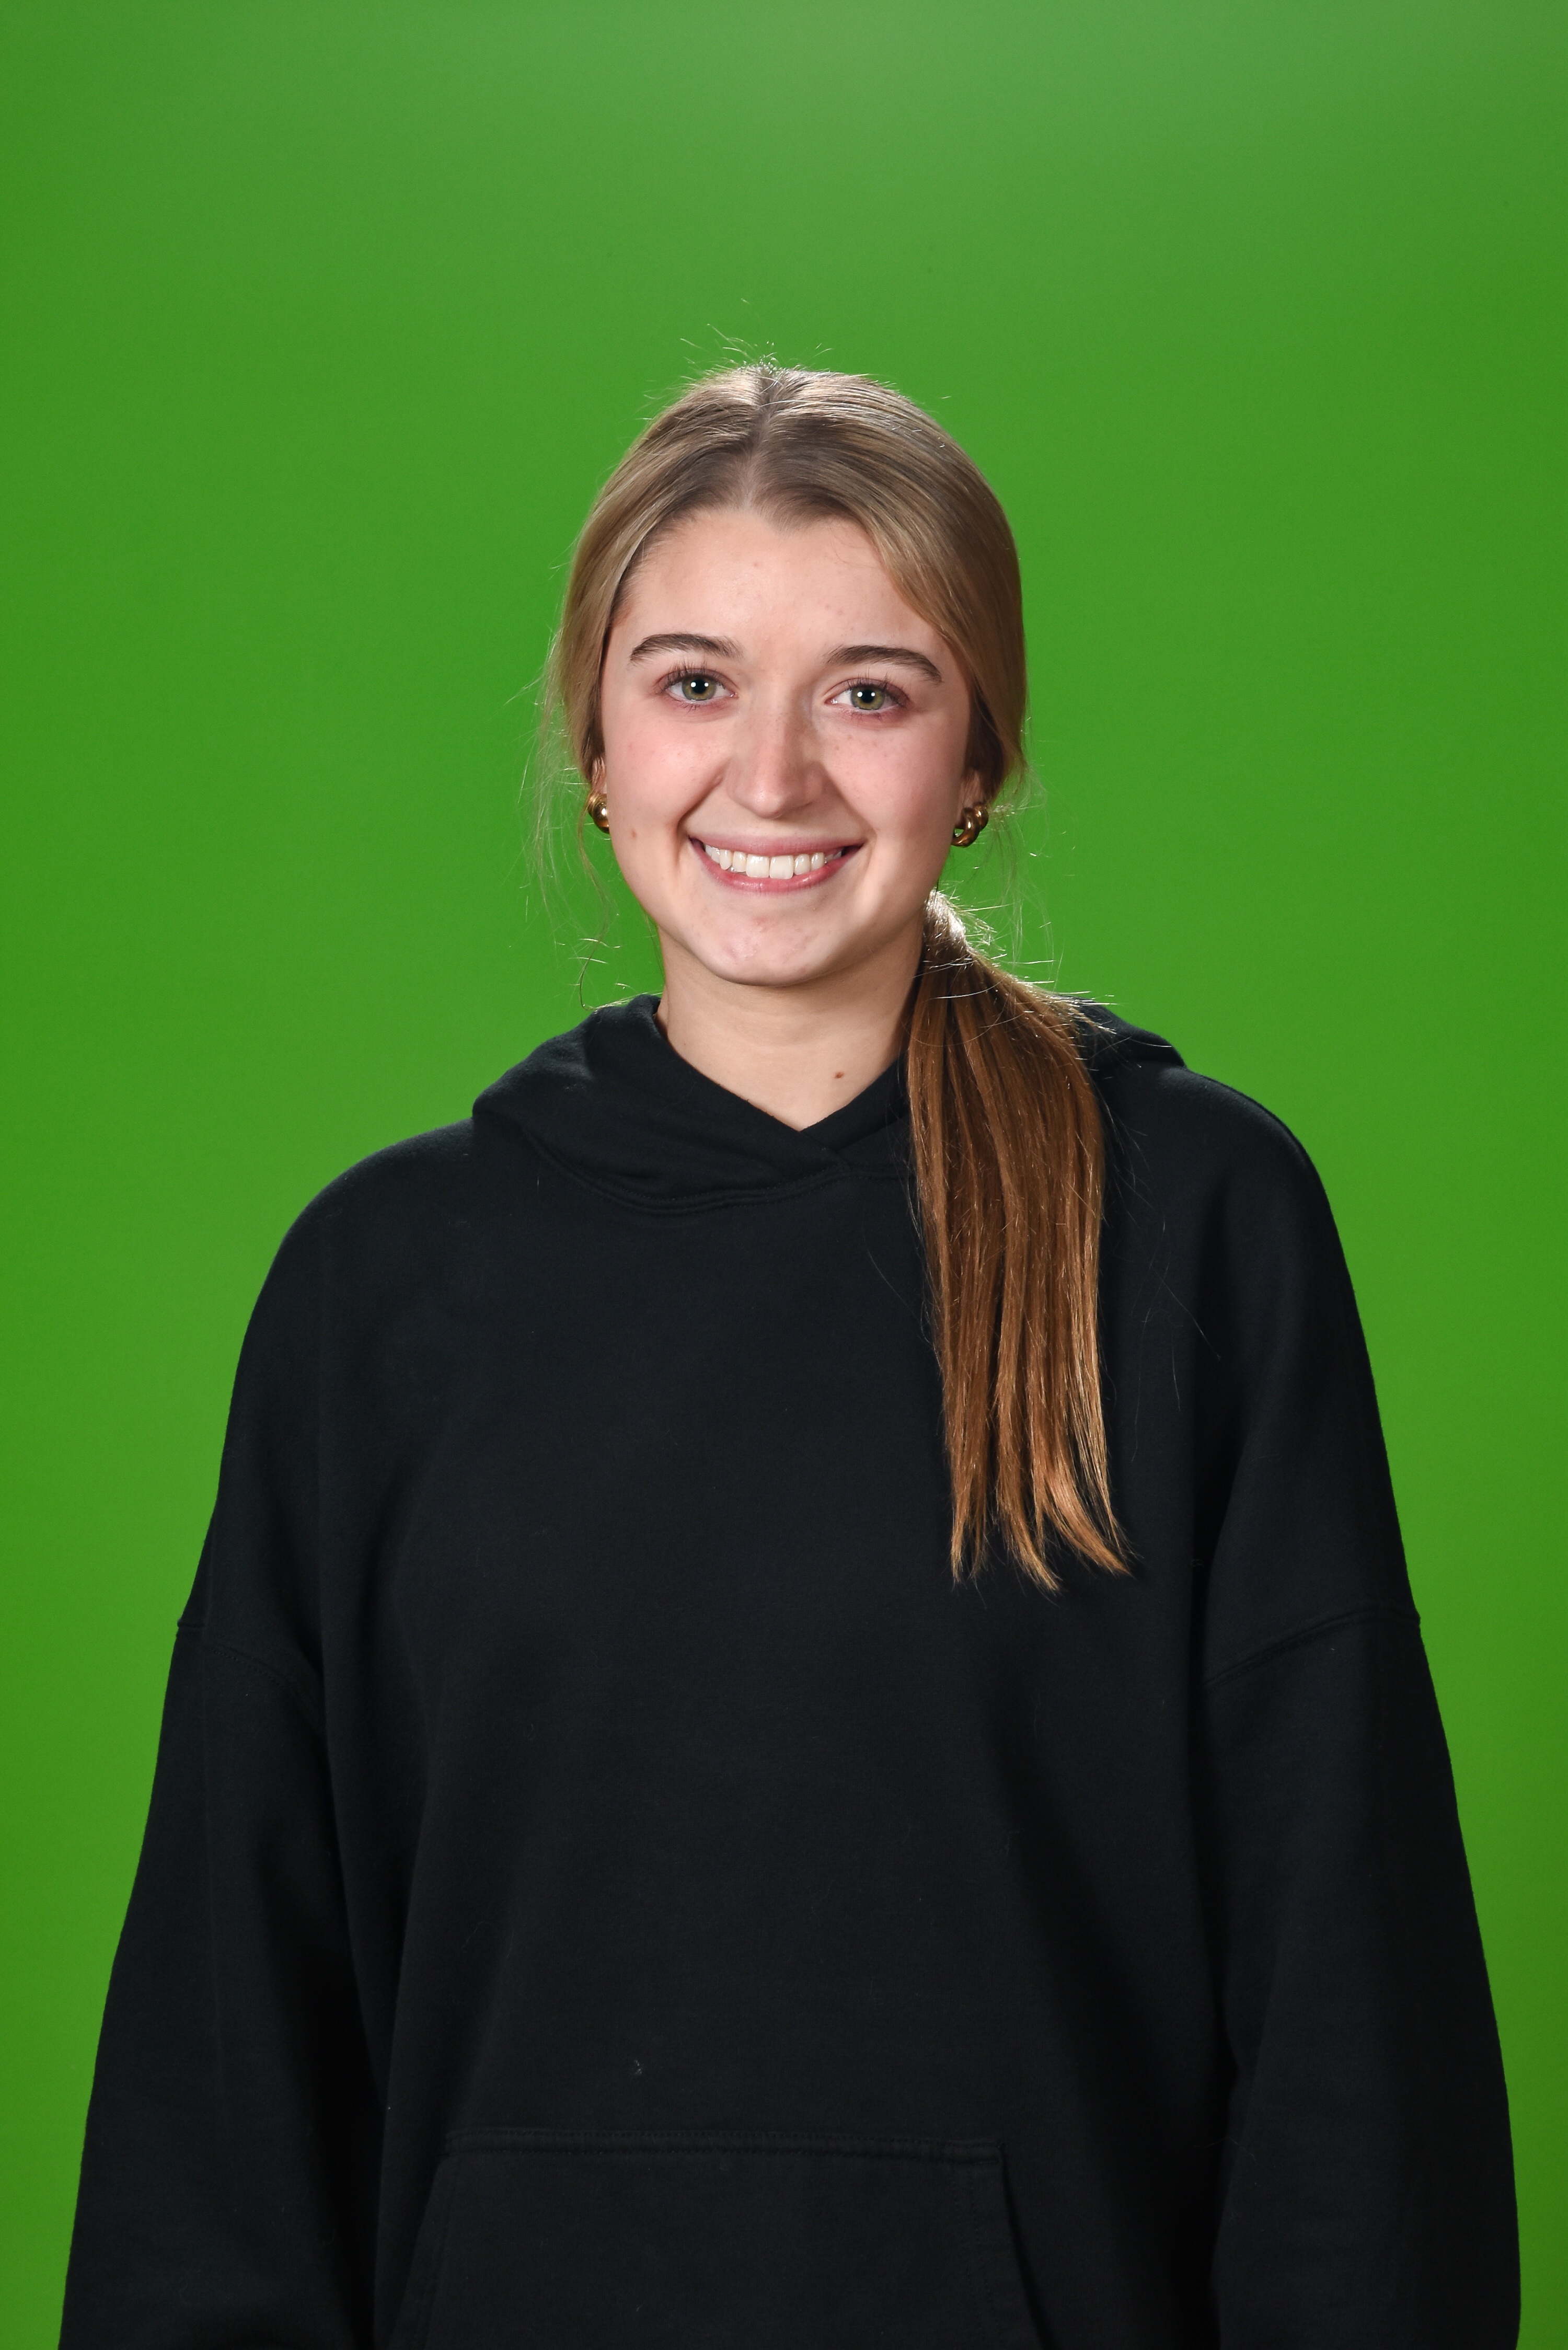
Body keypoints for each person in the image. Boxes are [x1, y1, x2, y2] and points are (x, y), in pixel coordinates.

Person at [61, 364, 1517, 2349]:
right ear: (595, 738)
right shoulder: (379, 1290)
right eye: (693, 683)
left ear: (977, 755)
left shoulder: (1192, 1222)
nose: (772, 777)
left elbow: (1355, 1998)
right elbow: (226, 2052)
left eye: (869, 692)